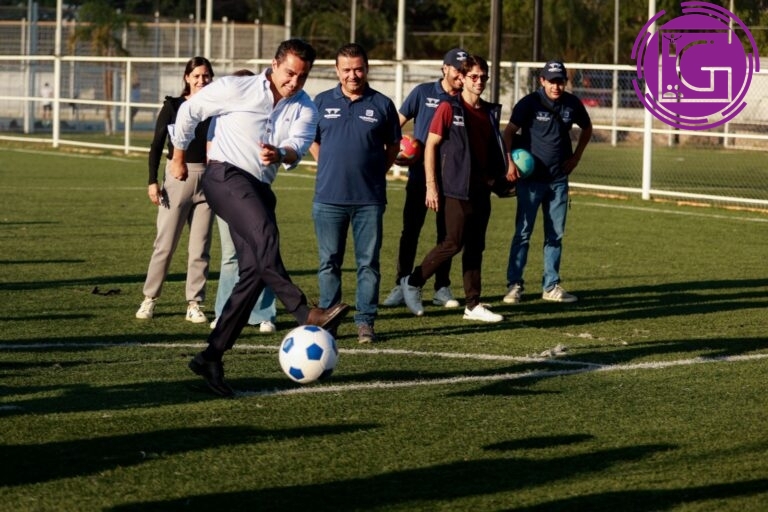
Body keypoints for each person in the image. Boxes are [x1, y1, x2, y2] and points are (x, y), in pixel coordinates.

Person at [170, 39, 349, 397]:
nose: (294, 82)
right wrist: (177, 157)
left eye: (302, 76)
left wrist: (279, 152)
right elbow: (189, 112)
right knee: (266, 236)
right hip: (224, 176)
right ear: (274, 63)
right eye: (289, 73)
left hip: (259, 188)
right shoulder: (236, 87)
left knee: (253, 271)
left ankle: (211, 356)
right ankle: (305, 314)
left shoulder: (305, 107)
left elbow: (297, 147)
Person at [400, 55, 512, 322]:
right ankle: (413, 282)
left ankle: (473, 304)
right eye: (474, 76)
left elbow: (491, 150)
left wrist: (502, 177)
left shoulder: (489, 111)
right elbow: (431, 146)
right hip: (454, 188)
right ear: (462, 78)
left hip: (481, 189)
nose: (479, 81)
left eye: (483, 77)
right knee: (452, 243)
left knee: (476, 246)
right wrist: (431, 186)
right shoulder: (449, 107)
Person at [309, 43, 401, 344]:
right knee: (329, 262)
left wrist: (373, 171)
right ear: (337, 70)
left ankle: (365, 322)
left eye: (358, 68)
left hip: (369, 199)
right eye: (346, 69)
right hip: (328, 198)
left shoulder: (383, 104)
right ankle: (330, 320)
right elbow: (312, 139)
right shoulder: (321, 101)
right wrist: (329, 165)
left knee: (368, 264)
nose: (353, 75)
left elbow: (393, 147)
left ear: (367, 68)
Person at [382, 48, 467, 312]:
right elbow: (395, 124)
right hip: (420, 175)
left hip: (452, 179)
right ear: (445, 68)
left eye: (465, 71)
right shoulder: (422, 92)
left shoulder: (467, 99)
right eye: (457, 70)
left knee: (448, 235)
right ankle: (401, 283)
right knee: (411, 231)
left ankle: (441, 287)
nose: (461, 75)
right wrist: (397, 151)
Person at [502, 60, 592, 304]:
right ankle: (514, 285)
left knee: (555, 235)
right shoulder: (529, 103)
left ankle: (550, 286)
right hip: (530, 181)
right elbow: (508, 132)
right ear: (542, 81)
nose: (556, 86)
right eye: (552, 81)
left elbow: (587, 127)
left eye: (560, 81)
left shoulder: (572, 103)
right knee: (522, 233)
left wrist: (576, 157)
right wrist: (509, 162)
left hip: (558, 180)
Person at [135, 56, 215, 324]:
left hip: (209, 180)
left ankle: (195, 303)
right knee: (165, 245)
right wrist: (152, 180)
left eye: (206, 76)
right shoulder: (174, 106)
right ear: (187, 78)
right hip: (178, 177)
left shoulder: (216, 108)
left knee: (200, 248)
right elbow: (157, 145)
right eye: (196, 76)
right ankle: (150, 298)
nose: (201, 80)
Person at [207, 69, 277, 334]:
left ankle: (263, 314)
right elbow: (210, 149)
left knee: (264, 252)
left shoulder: (266, 116)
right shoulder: (224, 114)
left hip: (257, 195)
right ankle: (225, 313)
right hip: (228, 194)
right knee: (230, 256)